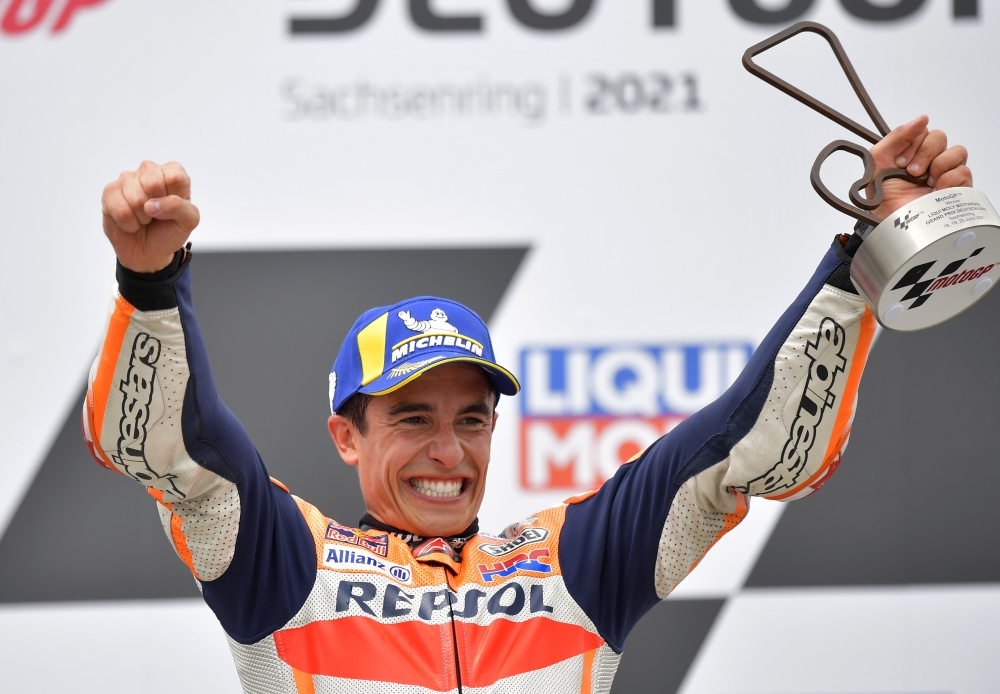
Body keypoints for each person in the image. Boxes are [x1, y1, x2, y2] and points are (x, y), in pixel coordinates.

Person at [85, 116, 970, 693]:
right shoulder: (287, 568)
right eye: (412, 417)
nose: (448, 450)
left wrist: (871, 249)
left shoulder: (573, 563)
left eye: (471, 418)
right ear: (345, 437)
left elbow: (749, 441)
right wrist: (151, 280)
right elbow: (175, 450)